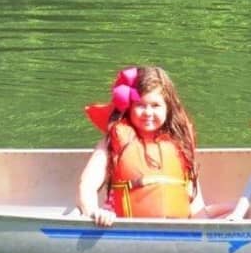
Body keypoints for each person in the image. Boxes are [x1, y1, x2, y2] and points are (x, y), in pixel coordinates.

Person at [77, 66, 215, 226]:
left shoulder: (180, 144)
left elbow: (195, 200)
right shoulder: (112, 142)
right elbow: (87, 185)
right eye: (140, 105)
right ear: (129, 108)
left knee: (238, 211)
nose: (148, 112)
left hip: (177, 229)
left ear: (168, 108)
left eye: (156, 105)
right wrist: (94, 212)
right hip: (123, 227)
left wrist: (205, 229)